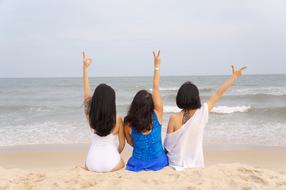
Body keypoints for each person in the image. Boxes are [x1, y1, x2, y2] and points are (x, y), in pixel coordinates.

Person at [164, 66, 246, 171]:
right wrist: (234, 77)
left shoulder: (173, 118)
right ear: (196, 97)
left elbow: (167, 147)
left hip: (175, 164)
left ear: (179, 97)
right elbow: (219, 93)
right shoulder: (202, 112)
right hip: (196, 165)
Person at [124, 51, 168, 172]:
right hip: (159, 162)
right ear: (151, 105)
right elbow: (156, 87)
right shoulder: (157, 114)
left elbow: (131, 143)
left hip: (137, 164)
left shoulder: (128, 123)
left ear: (134, 105)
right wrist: (156, 66)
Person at [82, 51, 125, 172]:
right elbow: (122, 145)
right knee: (122, 162)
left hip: (91, 163)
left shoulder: (91, 117)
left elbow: (86, 97)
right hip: (111, 164)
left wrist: (85, 69)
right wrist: (114, 154)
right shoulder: (117, 120)